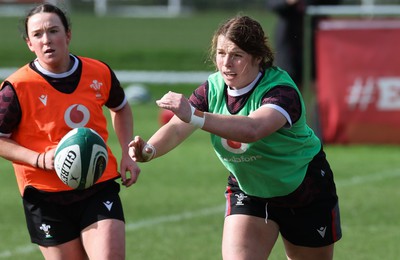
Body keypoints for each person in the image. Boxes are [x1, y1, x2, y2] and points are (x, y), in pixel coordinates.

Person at [129, 15, 341, 259]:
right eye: (221, 53)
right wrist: (149, 150)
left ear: (258, 57)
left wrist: (195, 115)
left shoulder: (281, 90)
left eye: (237, 55)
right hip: (248, 189)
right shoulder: (213, 88)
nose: (226, 63)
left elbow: (253, 129)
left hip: (303, 187)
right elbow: (178, 127)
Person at [0, 3, 140, 259]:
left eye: (53, 31)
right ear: (29, 43)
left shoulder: (98, 71)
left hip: (97, 184)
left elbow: (121, 108)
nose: (46, 40)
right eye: (38, 35)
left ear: (68, 35)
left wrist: (127, 154)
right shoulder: (16, 88)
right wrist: (39, 159)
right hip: (44, 196)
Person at [266, 0, 341, 90]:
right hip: (290, 41)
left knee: (322, 83)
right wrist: (288, 2)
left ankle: (318, 104)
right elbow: (272, 4)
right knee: (290, 83)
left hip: (316, 38)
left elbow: (334, 3)